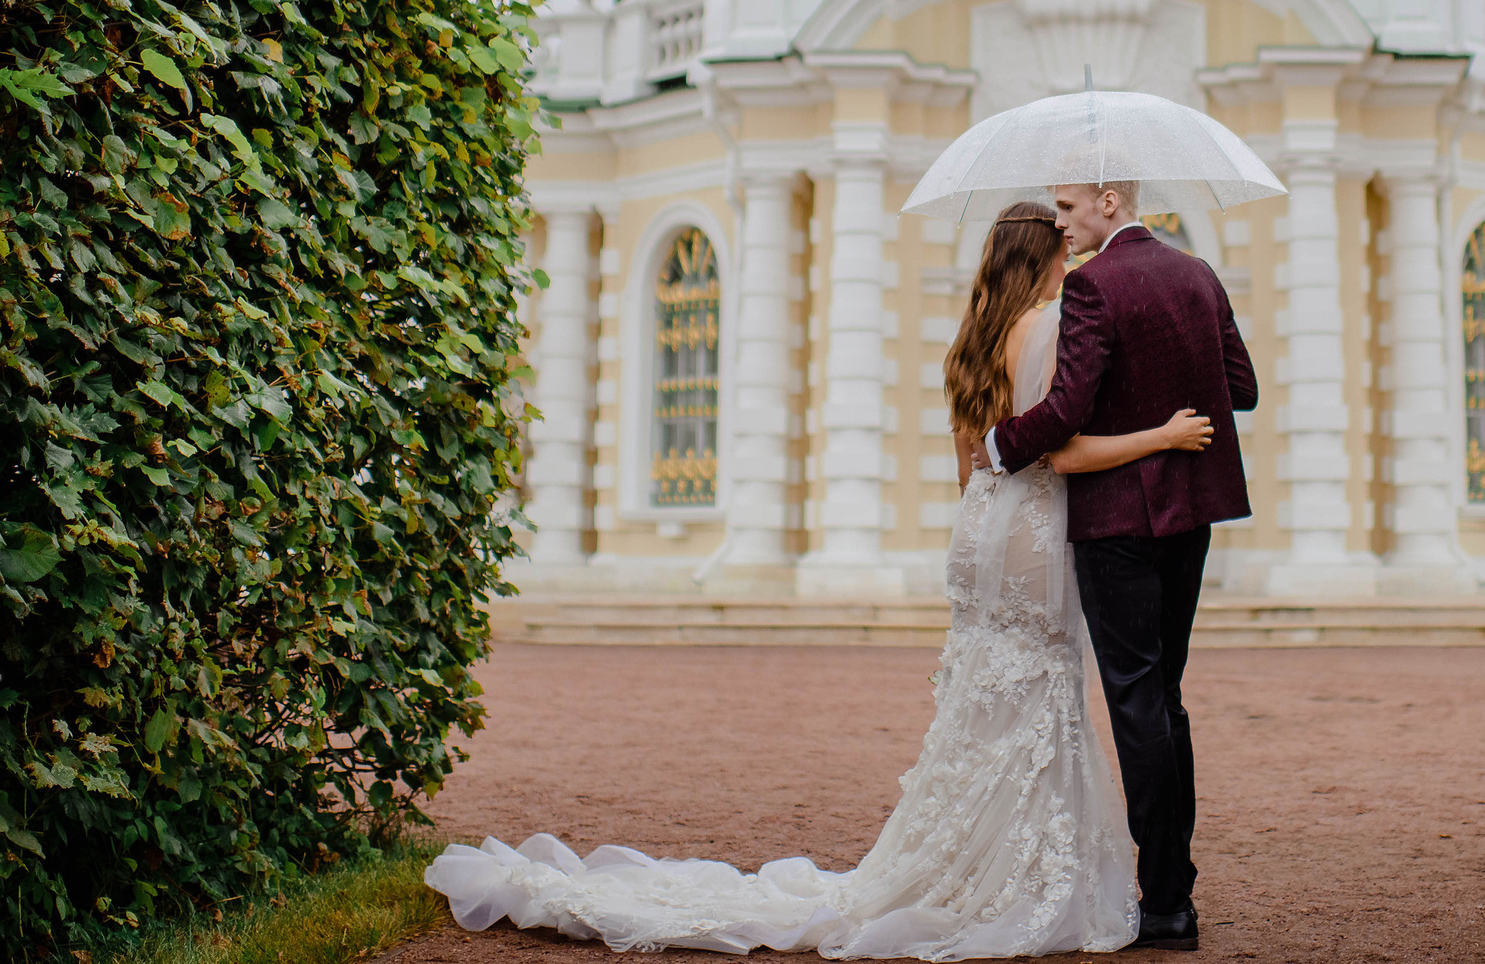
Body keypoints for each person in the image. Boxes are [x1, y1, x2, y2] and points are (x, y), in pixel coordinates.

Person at [421, 199, 1216, 959]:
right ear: (1040, 258)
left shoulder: (973, 335)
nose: (1074, 255)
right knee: (1042, 690)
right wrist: (1165, 434)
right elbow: (1061, 452)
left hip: (980, 527)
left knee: (989, 695)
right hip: (1035, 530)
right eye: (1063, 245)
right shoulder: (1047, 326)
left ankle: (977, 857)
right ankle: (1017, 875)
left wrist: (985, 523)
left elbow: (970, 463)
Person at [978, 180, 1260, 955]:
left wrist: (1000, 446)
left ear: (1109, 199)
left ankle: (1166, 902)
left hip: (1117, 521)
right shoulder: (1200, 273)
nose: (1061, 225)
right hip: (1193, 515)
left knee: (1136, 701)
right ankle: (1175, 891)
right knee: (1165, 697)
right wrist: (1171, 413)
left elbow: (1067, 410)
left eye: (1068, 209)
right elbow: (1243, 388)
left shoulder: (1092, 286)